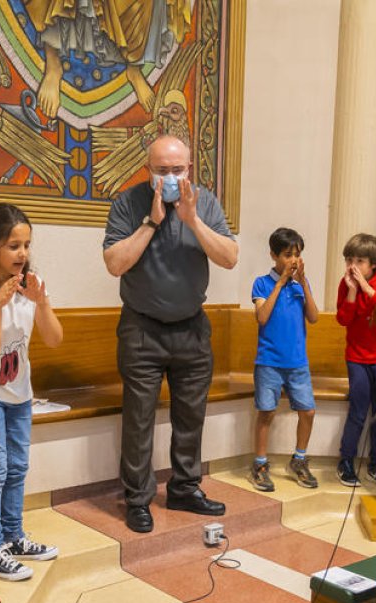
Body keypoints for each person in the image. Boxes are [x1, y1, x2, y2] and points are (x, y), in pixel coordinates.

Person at [102, 134, 238, 534]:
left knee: (191, 416)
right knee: (139, 420)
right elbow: (114, 264)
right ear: (148, 170)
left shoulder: (204, 202)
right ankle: (138, 499)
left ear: (189, 169)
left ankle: (185, 488)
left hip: (191, 328)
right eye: (162, 171)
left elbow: (230, 257)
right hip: (141, 328)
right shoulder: (127, 203)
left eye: (177, 170)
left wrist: (192, 220)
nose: (170, 177)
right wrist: (152, 221)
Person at [0, 204, 64, 580]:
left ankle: (13, 536)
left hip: (19, 391)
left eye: (26, 245)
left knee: (18, 466)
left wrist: (41, 302)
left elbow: (54, 339)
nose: (22, 254)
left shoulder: (31, 285)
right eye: (13, 246)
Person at [248, 227, 320, 492]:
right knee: (267, 412)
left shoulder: (301, 285)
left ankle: (299, 460)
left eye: (297, 254)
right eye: (288, 254)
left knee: (308, 411)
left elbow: (314, 317)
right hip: (269, 361)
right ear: (274, 255)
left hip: (297, 362)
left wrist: (304, 283)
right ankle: (260, 464)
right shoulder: (262, 283)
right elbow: (262, 317)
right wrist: (280, 284)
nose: (293, 260)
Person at [335, 233, 376, 487]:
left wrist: (365, 287)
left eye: (359, 261)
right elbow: (343, 319)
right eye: (349, 260)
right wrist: (352, 291)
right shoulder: (345, 284)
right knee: (358, 411)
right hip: (357, 359)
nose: (352, 266)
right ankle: (346, 461)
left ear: (373, 263)